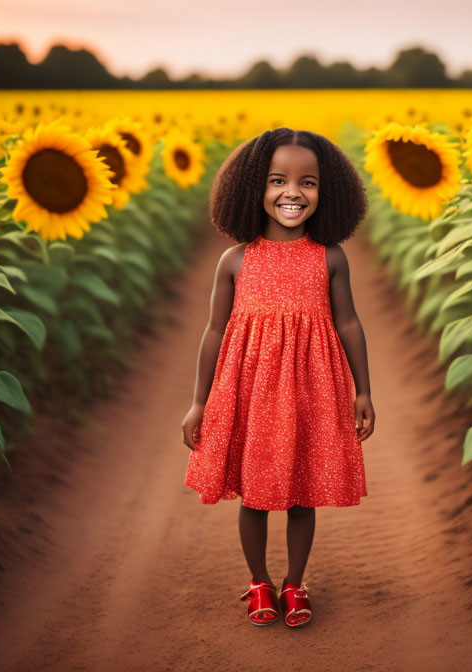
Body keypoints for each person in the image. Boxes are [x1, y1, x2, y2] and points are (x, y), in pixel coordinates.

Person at [181, 127, 375, 628]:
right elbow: (213, 331)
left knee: (302, 492)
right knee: (254, 494)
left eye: (307, 182)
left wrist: (364, 390)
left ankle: (295, 582)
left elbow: (349, 323)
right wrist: (199, 402)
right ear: (253, 189)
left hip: (311, 389)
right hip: (250, 392)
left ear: (325, 191)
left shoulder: (329, 257)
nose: (292, 193)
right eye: (277, 180)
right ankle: (259, 581)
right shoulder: (236, 260)